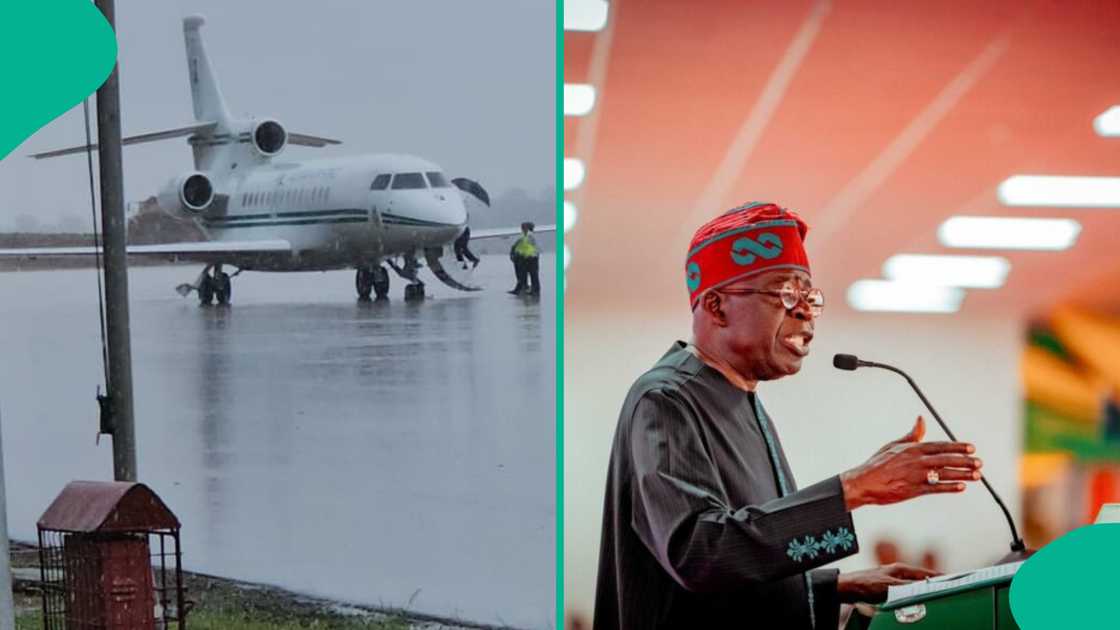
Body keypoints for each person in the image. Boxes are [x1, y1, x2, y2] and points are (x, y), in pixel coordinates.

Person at [594, 202, 984, 629]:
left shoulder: (740, 399)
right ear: (717, 306)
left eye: (810, 297)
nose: (803, 312)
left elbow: (738, 568)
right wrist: (854, 489)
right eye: (784, 293)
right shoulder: (667, 398)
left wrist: (836, 586)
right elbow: (699, 554)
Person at [508, 221, 541, 295]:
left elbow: (529, 247)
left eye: (523, 227)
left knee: (532, 275)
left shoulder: (529, 236)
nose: (522, 229)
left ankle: (533, 290)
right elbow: (518, 246)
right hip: (524, 257)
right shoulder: (524, 236)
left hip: (530, 258)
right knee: (523, 275)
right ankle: (522, 288)